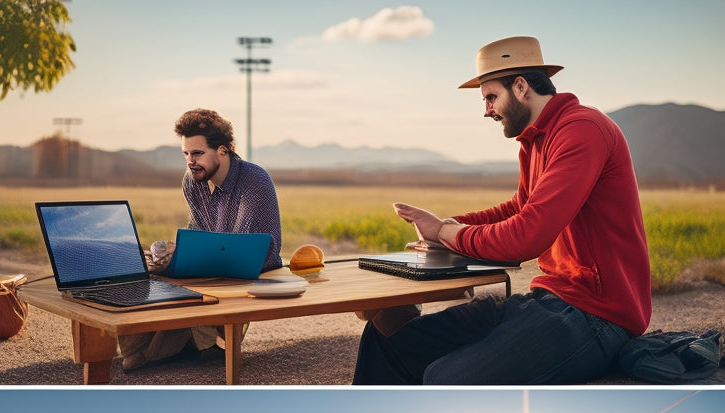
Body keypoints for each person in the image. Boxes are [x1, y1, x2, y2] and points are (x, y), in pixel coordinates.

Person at [353, 36, 652, 385]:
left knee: (445, 378)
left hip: (596, 316)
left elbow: (526, 235)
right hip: (548, 300)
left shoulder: (583, 130)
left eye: (491, 96)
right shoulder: (535, 140)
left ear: (521, 87)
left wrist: (448, 234)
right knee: (388, 341)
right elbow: (519, 206)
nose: (486, 110)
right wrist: (448, 225)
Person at [120, 108, 282, 371]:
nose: (190, 161)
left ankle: (202, 345)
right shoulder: (192, 181)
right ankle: (176, 345)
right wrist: (173, 255)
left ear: (223, 150)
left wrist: (190, 253)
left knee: (146, 356)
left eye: (197, 153)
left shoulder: (254, 181)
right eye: (185, 153)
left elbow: (243, 250)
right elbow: (197, 231)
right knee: (142, 273)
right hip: (208, 270)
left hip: (252, 274)